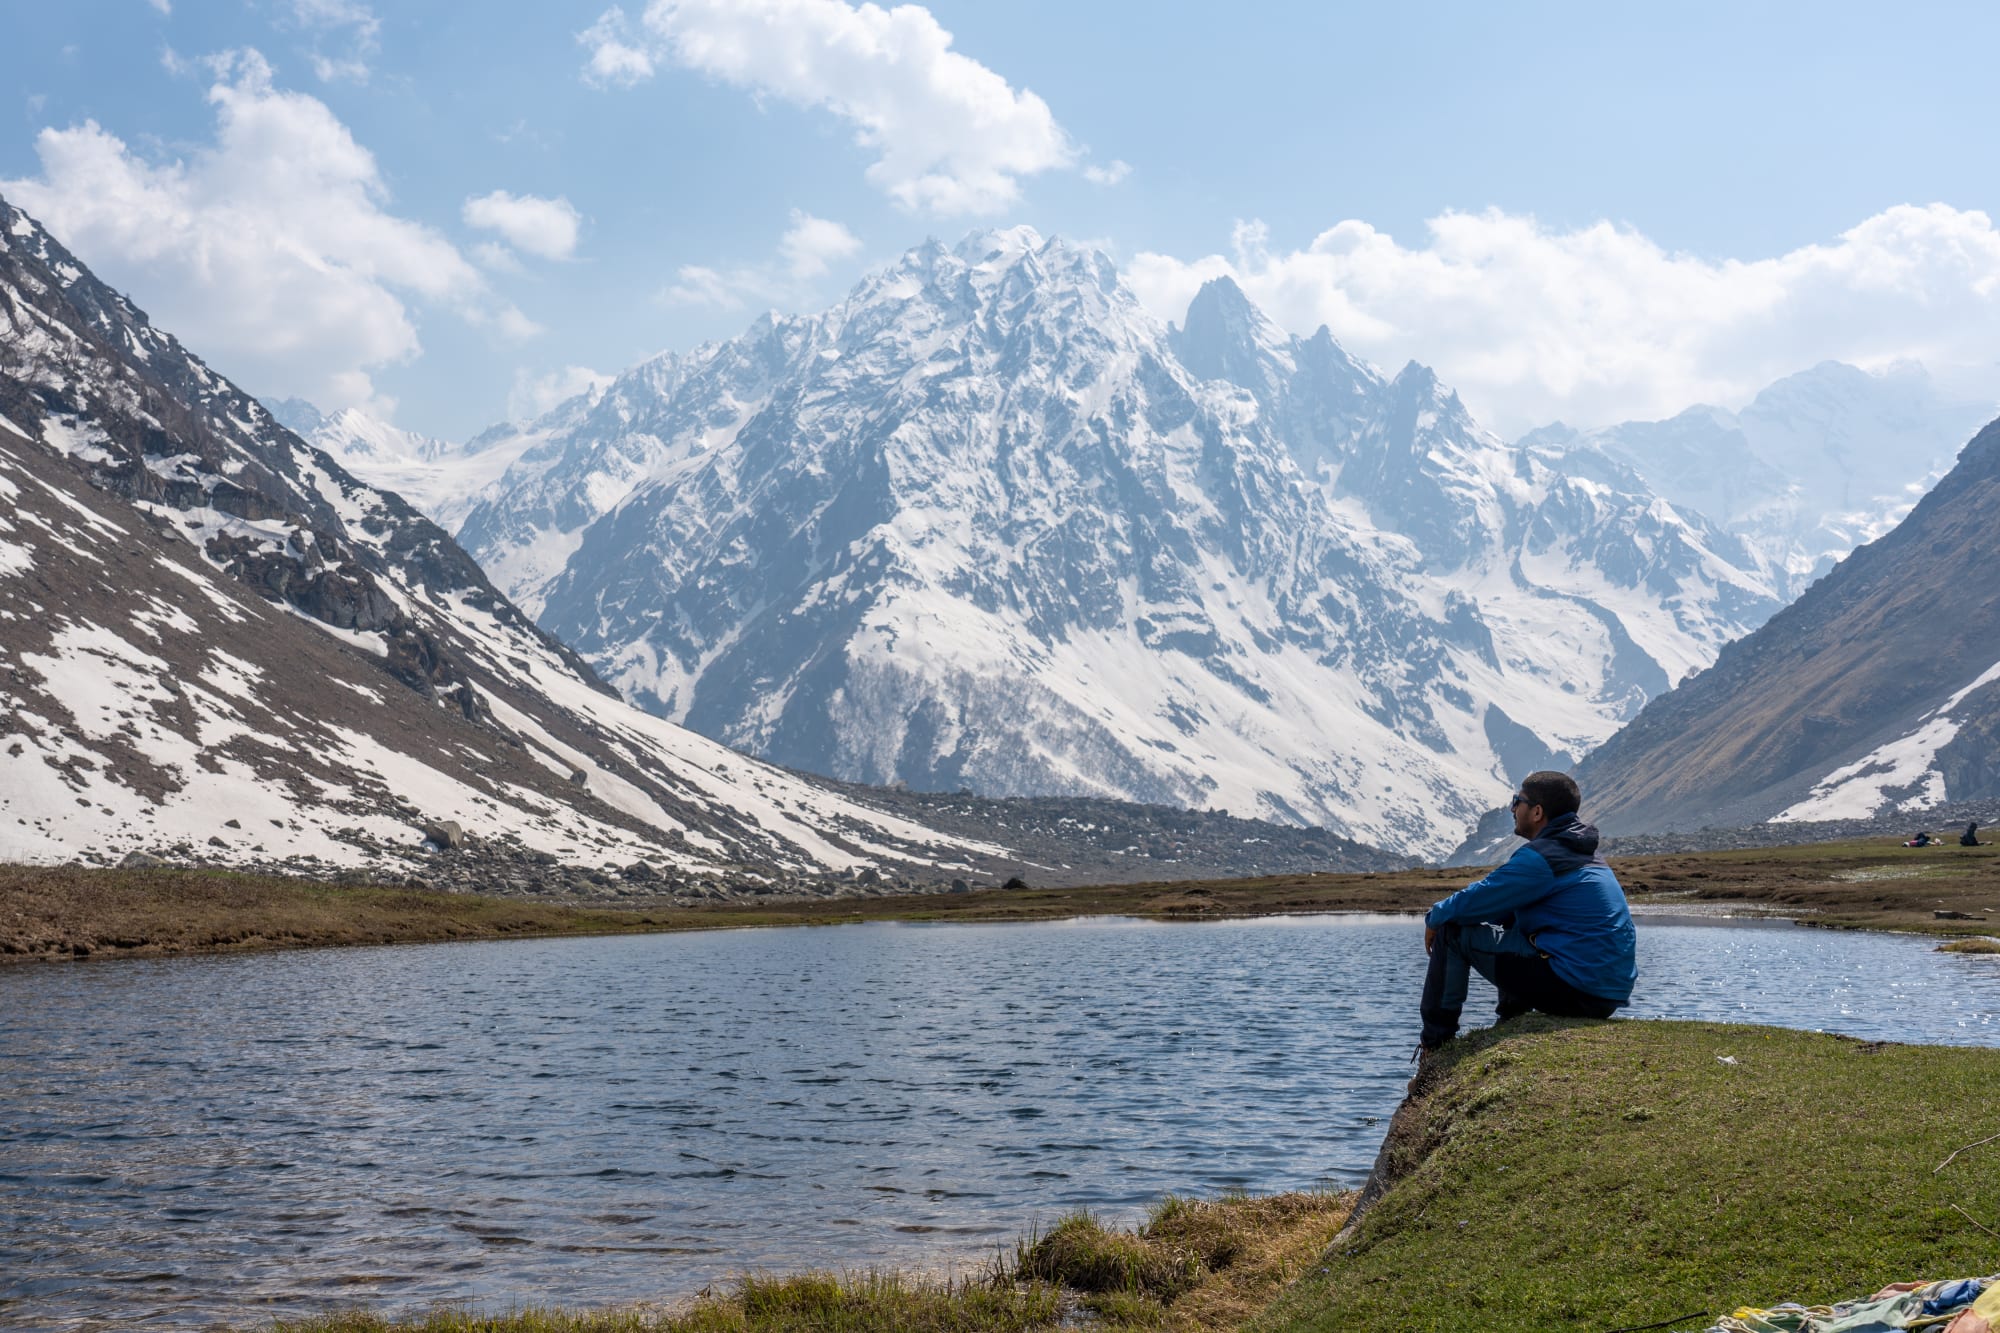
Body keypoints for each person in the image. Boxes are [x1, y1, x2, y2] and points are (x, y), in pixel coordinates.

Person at [1418, 771, 1636, 1051]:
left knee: (1452, 931)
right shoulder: (1582, 853)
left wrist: (1436, 916)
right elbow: (1497, 908)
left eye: (1516, 801)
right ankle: (1509, 1021)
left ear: (1536, 812)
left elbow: (1477, 898)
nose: (1511, 808)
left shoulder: (1542, 858)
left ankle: (1435, 1047)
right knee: (1515, 919)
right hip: (1605, 993)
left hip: (1577, 989)